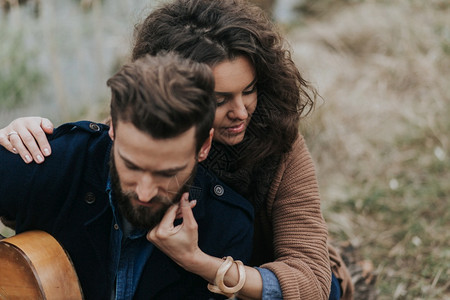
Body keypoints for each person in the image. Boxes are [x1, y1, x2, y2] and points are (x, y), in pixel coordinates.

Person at [0, 0, 354, 299]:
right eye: (219, 99)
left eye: (248, 90)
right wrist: (18, 140)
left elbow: (310, 283)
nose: (241, 111)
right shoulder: (131, 128)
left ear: (202, 148)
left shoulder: (275, 154)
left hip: (260, 276)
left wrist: (201, 262)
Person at [0, 53, 255, 299]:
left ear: (203, 147)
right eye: (131, 166)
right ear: (112, 128)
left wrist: (194, 260)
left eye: (167, 173)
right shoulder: (50, 161)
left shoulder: (227, 229)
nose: (144, 192)